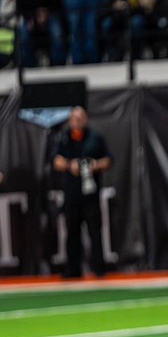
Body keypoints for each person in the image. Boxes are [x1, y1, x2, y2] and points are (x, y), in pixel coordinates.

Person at [51, 106, 113, 279]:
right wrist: (70, 165)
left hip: (90, 194)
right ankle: (72, 270)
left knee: (95, 231)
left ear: (85, 119)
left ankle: (99, 268)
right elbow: (56, 160)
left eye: (80, 118)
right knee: (72, 233)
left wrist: (95, 165)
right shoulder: (63, 138)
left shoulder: (95, 138)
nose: (77, 121)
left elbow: (108, 159)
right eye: (74, 118)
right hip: (72, 194)